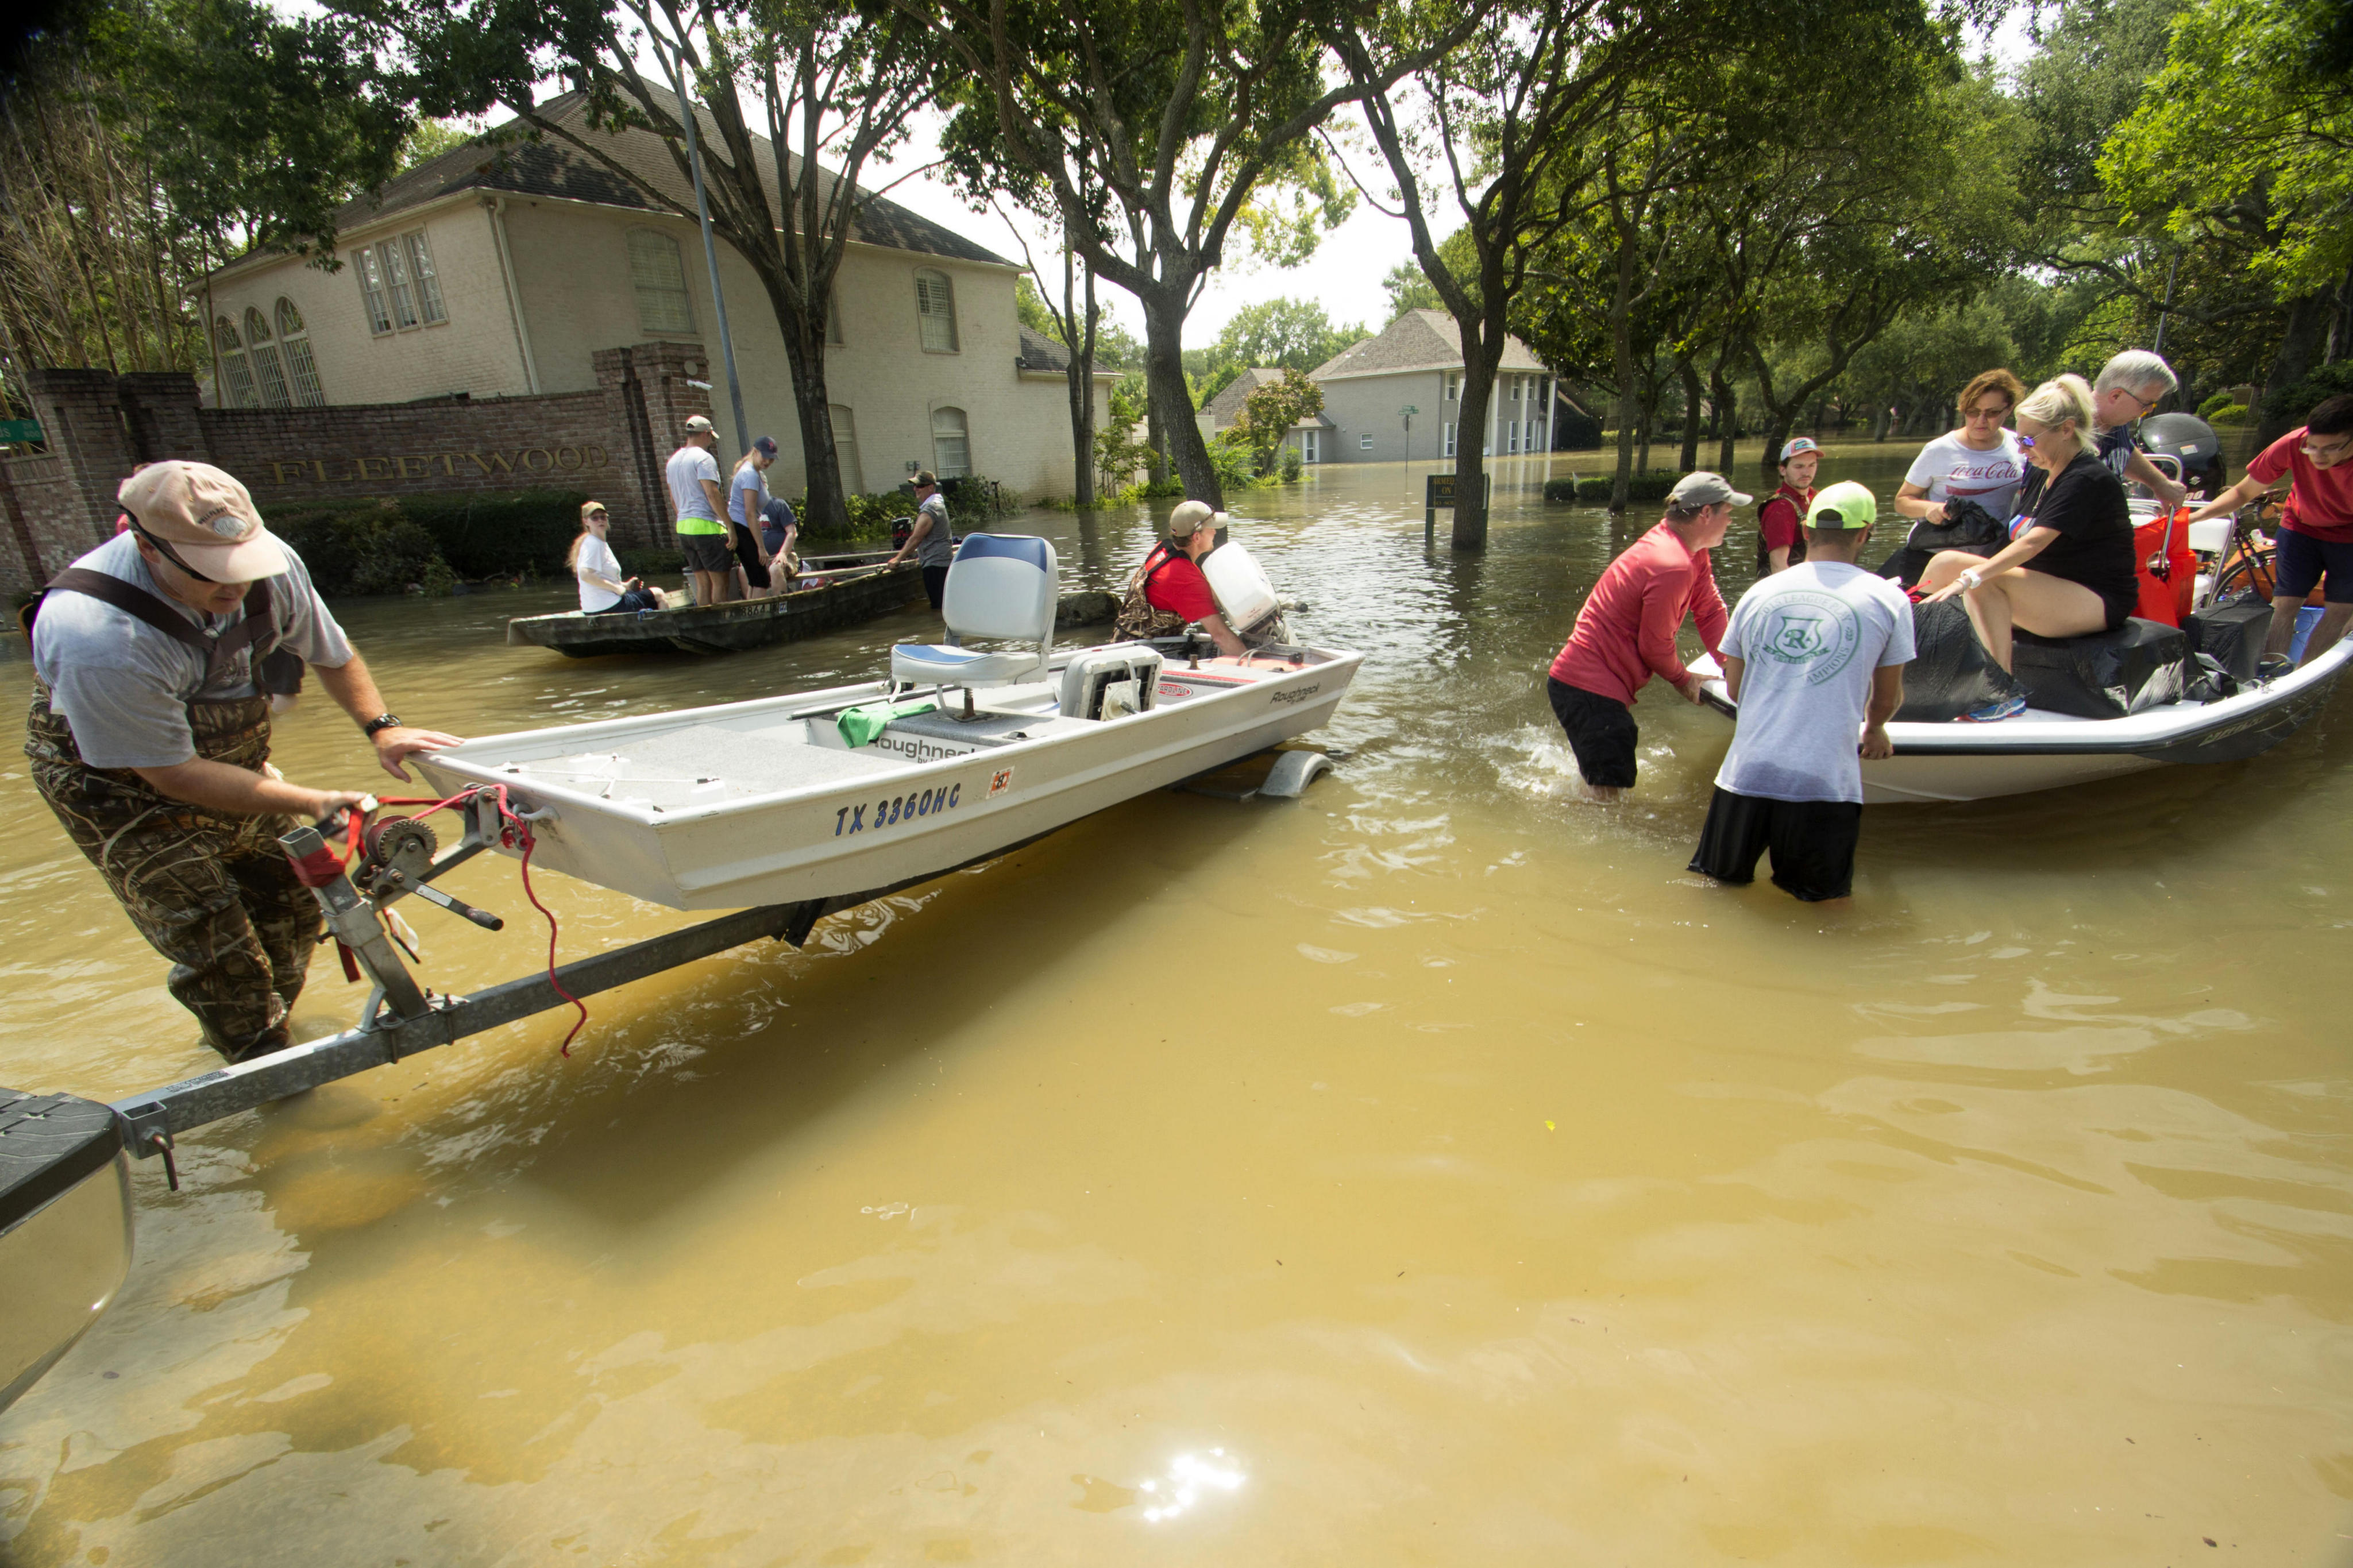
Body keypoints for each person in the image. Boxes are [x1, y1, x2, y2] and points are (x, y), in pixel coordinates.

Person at [22, 461, 459, 1064]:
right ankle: (261, 1071)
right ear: (147, 547)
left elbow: (331, 653)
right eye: (212, 575)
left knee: (293, 905)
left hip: (234, 763)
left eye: (243, 569)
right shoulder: (97, 635)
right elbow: (170, 773)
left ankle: (266, 1032)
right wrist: (311, 800)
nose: (235, 590)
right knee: (218, 952)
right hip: (123, 788)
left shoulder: (269, 564)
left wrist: (382, 729)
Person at [1689, 480, 1914, 903]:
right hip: (1824, 782)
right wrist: (1875, 731)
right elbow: (1886, 698)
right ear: (1865, 533)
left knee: (1716, 893)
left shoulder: (1757, 594)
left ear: (1806, 531)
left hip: (1745, 775)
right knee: (1820, 907)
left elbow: (1736, 687)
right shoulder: (1888, 599)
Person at [1917, 374, 2135, 717]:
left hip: (2096, 599)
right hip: (2049, 589)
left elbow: (2034, 542)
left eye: (2030, 440)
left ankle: (2000, 692)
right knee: (1946, 562)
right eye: (2020, 439)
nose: (2022, 450)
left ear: (2066, 429)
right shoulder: (2039, 470)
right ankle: (1913, 666)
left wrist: (1970, 578)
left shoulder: (2086, 479)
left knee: (1983, 578)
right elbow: (2012, 541)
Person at [1545, 471, 1740, 800]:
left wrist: (1730, 667)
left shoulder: (1691, 551)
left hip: (1589, 688)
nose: (1731, 521)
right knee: (1609, 803)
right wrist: (1684, 679)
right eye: (1728, 512)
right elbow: (1654, 647)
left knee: (1607, 785)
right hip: (1587, 688)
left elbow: (1709, 610)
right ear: (1706, 514)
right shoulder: (1673, 564)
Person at [2184, 393, 2353, 670]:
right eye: (2313, 447)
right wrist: (2197, 516)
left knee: (2340, 610)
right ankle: (2271, 675)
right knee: (2285, 602)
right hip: (2301, 527)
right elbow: (2243, 491)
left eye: (2331, 448)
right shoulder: (2292, 444)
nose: (2318, 457)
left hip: (2349, 535)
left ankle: (2305, 678)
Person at [1894, 368, 2028, 527]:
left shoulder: (2021, 446)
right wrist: (1931, 508)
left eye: (1991, 413)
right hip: (1940, 546)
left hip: (1999, 547)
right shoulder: (1939, 449)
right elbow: (1902, 502)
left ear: (2009, 410)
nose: (1981, 420)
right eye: (1973, 412)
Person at [1113, 499, 1248, 654]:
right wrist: (1252, 665)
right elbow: (1220, 636)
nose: (1215, 532)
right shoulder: (1183, 577)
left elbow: (1205, 595)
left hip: (1127, 644)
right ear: (1197, 538)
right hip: (1142, 656)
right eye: (1211, 528)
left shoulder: (1164, 550)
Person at [2090, 349, 2188, 511]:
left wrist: (2159, 483)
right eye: (2146, 404)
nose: (2149, 410)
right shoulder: (2068, 429)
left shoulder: (2117, 421)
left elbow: (2124, 451)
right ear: (2116, 396)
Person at [666, 413, 733, 606]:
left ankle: (705, 625)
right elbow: (712, 494)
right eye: (711, 437)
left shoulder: (673, 461)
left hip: (684, 529)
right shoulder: (704, 459)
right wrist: (730, 526)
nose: (711, 441)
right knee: (720, 584)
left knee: (703, 585)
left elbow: (673, 500)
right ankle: (721, 626)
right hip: (707, 528)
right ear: (705, 434)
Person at [884, 470, 958, 609]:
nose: (915, 489)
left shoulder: (931, 508)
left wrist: (898, 559)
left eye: (919, 486)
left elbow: (916, 538)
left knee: (938, 608)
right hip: (939, 561)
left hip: (936, 563)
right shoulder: (936, 504)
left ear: (930, 487)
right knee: (943, 605)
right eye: (915, 486)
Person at [569, 501, 659, 614]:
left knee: (645, 595)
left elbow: (600, 578)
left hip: (594, 609)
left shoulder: (597, 543)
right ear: (586, 521)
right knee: (658, 594)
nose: (600, 520)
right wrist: (616, 588)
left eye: (603, 517)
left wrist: (625, 586)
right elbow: (585, 575)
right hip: (610, 606)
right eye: (595, 518)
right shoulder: (594, 544)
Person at [1756, 438, 1820, 576]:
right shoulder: (1780, 508)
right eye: (1799, 467)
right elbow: (1778, 566)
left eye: (1811, 465)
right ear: (1783, 470)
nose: (1806, 473)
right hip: (1787, 591)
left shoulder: (1817, 498)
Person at [727, 437, 780, 598]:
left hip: (743, 527)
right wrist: (761, 548)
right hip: (743, 528)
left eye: (771, 458)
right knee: (762, 580)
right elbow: (750, 513)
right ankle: (759, 618)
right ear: (755, 452)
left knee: (755, 577)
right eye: (764, 456)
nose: (767, 461)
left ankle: (751, 611)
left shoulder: (752, 471)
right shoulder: (749, 474)